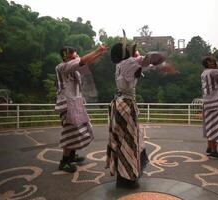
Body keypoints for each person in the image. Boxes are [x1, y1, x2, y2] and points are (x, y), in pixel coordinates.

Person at [106, 42, 175, 188]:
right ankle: (128, 178)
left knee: (121, 140)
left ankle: (123, 177)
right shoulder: (129, 62)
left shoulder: (121, 64)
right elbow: (151, 58)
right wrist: (165, 55)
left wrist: (159, 66)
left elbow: (147, 66)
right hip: (126, 105)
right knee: (129, 141)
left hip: (119, 104)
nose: (135, 51)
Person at [54, 44, 107, 173]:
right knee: (70, 132)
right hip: (66, 105)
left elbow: (85, 62)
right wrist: (97, 50)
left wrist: (99, 53)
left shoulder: (74, 69)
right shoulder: (63, 67)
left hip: (74, 104)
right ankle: (64, 161)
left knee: (78, 131)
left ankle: (71, 156)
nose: (77, 55)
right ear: (67, 56)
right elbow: (82, 61)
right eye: (74, 53)